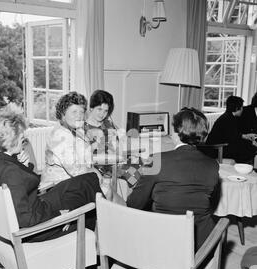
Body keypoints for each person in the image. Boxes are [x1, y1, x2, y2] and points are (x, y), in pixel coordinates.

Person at [0, 110, 103, 242]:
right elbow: (26, 218)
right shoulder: (11, 173)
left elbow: (22, 187)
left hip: (34, 206)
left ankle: (94, 240)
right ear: (10, 141)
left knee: (87, 180)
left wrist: (23, 164)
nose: (23, 136)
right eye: (20, 135)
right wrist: (58, 214)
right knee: (88, 204)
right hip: (35, 229)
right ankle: (89, 247)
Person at [127, 107, 220, 252]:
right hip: (201, 245)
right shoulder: (213, 165)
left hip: (163, 242)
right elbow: (209, 202)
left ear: (176, 134)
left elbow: (134, 204)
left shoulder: (157, 159)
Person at [41, 91, 100, 185]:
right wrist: (94, 171)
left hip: (72, 182)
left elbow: (86, 158)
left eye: (82, 112)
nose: (79, 116)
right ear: (63, 114)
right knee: (106, 190)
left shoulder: (75, 131)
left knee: (107, 190)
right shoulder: (60, 135)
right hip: (57, 187)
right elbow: (76, 170)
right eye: (74, 112)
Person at [206, 95, 257, 164]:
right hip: (217, 148)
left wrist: (245, 136)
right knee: (248, 148)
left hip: (223, 144)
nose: (242, 109)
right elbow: (233, 138)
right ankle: (241, 167)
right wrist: (251, 142)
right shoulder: (227, 119)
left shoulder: (230, 116)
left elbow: (233, 134)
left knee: (248, 147)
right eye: (241, 107)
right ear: (236, 108)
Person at [85, 89, 118, 177]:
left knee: (144, 167)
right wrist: (97, 144)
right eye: (99, 109)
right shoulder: (83, 128)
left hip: (115, 160)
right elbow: (83, 154)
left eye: (105, 111)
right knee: (133, 172)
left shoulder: (108, 123)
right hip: (101, 165)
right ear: (91, 108)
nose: (102, 114)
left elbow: (117, 145)